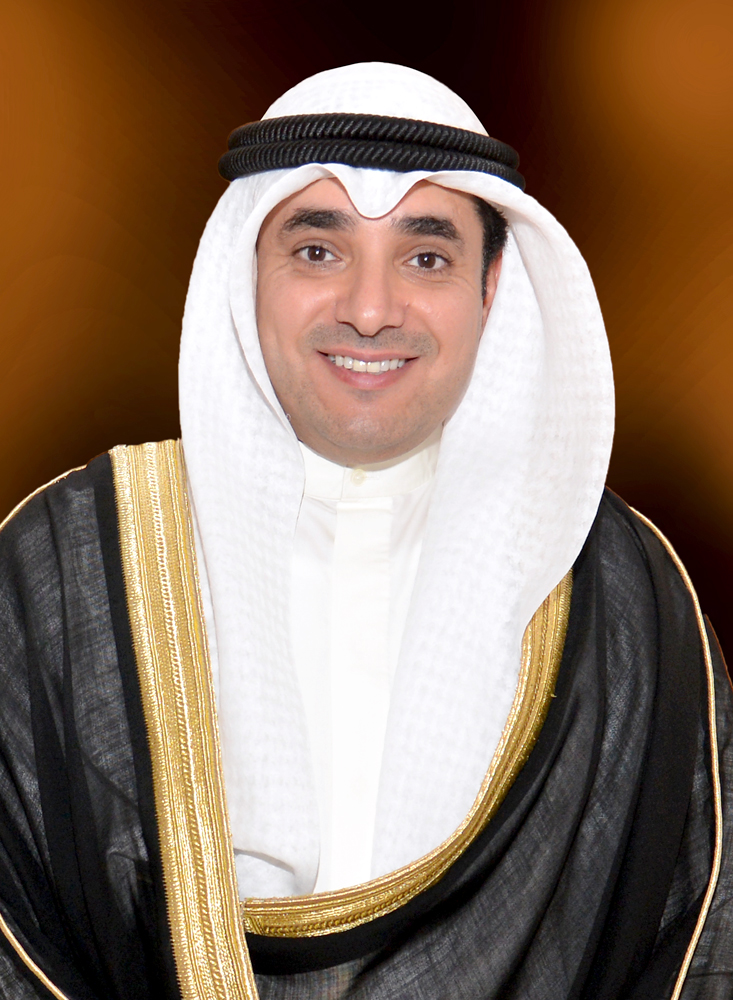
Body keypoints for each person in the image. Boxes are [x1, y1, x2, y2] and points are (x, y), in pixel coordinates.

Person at [0, 61, 730, 1000]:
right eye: (317, 251)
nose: (370, 310)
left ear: (491, 288)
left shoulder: (619, 587)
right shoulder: (69, 566)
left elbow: (698, 933)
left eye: (425, 259)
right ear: (245, 272)